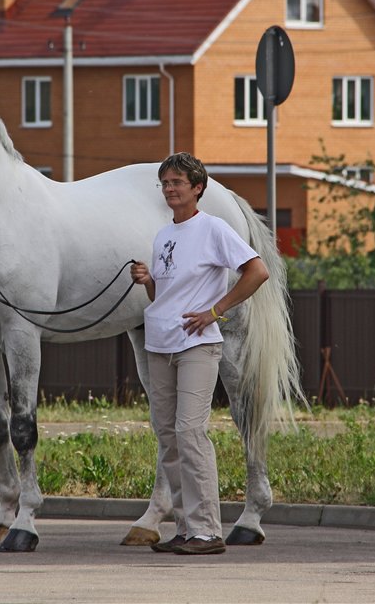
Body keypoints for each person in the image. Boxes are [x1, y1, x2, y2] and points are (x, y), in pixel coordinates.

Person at [131, 152, 269, 556]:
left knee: (191, 432)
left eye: (178, 182)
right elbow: (164, 296)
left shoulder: (214, 229)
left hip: (197, 345)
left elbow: (257, 271)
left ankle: (208, 531)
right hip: (159, 343)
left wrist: (216, 310)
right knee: (169, 437)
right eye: (166, 183)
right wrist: (147, 281)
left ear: (198, 188)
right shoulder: (163, 236)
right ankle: (185, 527)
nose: (171, 189)